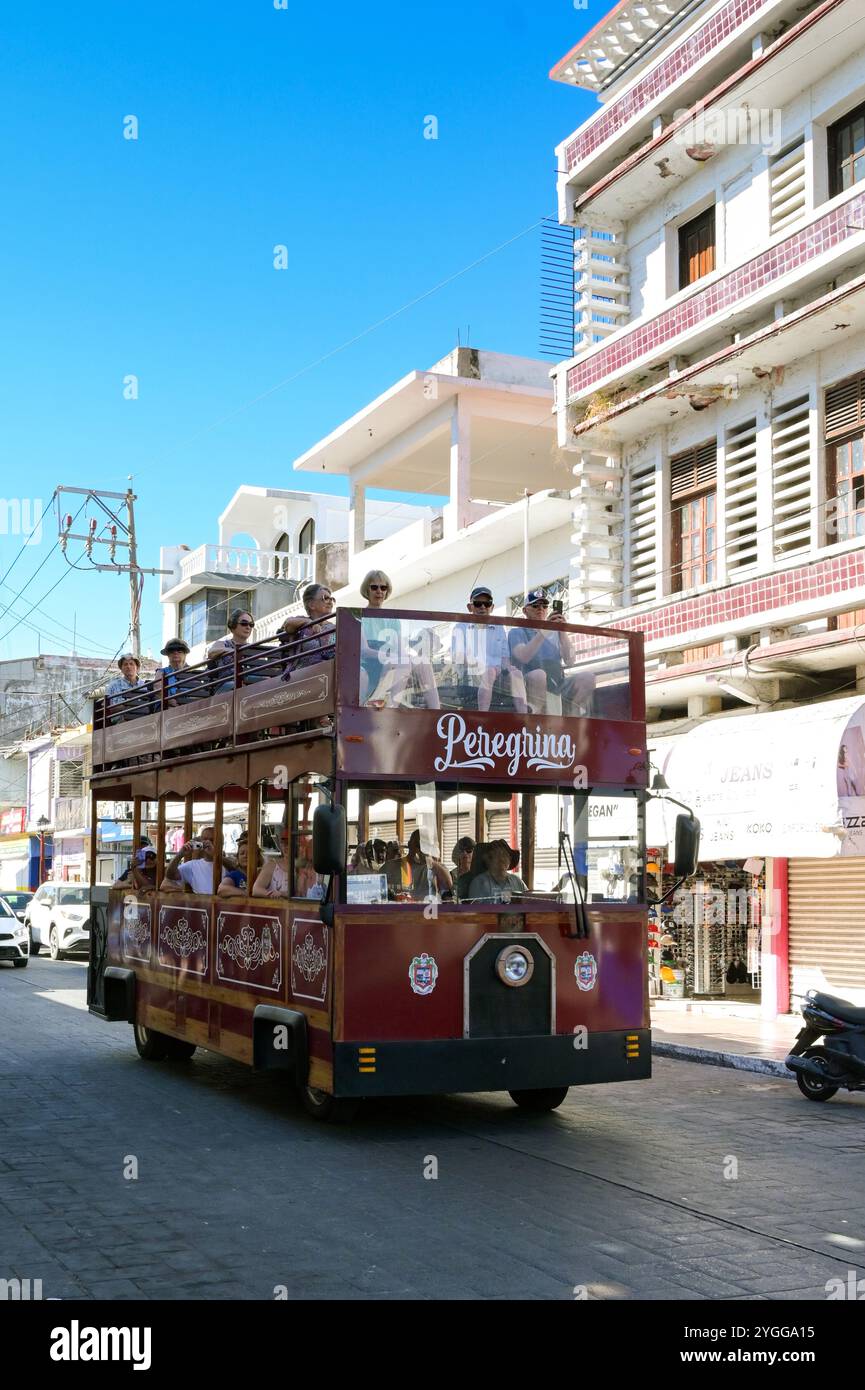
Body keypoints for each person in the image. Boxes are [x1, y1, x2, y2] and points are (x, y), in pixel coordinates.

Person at [358, 571, 440, 710]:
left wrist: (404, 656)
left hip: (390, 659)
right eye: (374, 587)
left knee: (422, 661)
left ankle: (436, 712)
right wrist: (395, 656)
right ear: (367, 589)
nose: (379, 591)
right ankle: (389, 708)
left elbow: (401, 649)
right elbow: (364, 651)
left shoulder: (393, 620)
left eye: (383, 588)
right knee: (401, 660)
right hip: (369, 662)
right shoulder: (360, 616)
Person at [508, 590, 595, 716]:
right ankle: (536, 720)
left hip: (557, 682)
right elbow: (523, 656)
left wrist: (562, 631)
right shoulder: (517, 632)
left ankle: (574, 718)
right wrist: (544, 630)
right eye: (535, 606)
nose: (541, 609)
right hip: (530, 683)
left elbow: (570, 660)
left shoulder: (554, 633)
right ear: (525, 610)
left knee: (587, 678)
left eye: (544, 606)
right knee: (539, 675)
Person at [452, 587, 527, 712]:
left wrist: (508, 668)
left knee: (517, 674)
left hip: (497, 675)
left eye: (487, 604)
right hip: (470, 675)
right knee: (489, 672)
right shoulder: (460, 627)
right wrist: (480, 666)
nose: (483, 607)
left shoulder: (498, 627)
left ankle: (524, 717)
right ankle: (483, 715)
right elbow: (459, 657)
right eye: (478, 603)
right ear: (470, 607)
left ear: (492, 607)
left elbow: (504, 657)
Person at [279, 584, 336, 672]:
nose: (330, 602)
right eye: (326, 598)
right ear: (311, 604)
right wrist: (310, 623)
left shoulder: (334, 627)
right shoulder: (301, 622)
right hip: (304, 677)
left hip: (330, 673)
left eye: (332, 599)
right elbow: (288, 625)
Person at [206, 610, 261, 694]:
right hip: (227, 685)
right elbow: (211, 652)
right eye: (244, 623)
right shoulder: (223, 644)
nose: (248, 627)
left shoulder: (253, 648)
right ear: (233, 625)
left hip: (249, 683)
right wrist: (233, 651)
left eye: (251, 624)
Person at [161, 826, 220, 894]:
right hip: (202, 903)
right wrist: (180, 854)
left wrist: (215, 855)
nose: (208, 843)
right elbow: (170, 876)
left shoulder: (227, 863)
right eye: (205, 839)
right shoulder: (193, 865)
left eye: (212, 840)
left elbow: (233, 868)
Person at [467, 839, 527, 904]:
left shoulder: (517, 881)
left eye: (506, 855)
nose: (502, 858)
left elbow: (529, 902)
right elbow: (475, 911)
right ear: (488, 860)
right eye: (497, 854)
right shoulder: (479, 883)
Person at [406, 828, 452, 901]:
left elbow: (448, 885)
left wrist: (432, 863)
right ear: (409, 845)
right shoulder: (399, 866)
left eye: (424, 846)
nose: (420, 850)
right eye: (418, 846)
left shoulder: (436, 867)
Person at [105, 654, 153, 722]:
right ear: (121, 669)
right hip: (120, 724)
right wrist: (126, 707)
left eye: (131, 664)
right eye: (125, 664)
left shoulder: (146, 685)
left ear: (137, 668)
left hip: (143, 722)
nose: (128, 666)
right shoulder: (113, 686)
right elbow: (106, 709)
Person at [217, 833, 263, 897]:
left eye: (249, 853)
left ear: (257, 857)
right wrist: (246, 893)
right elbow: (222, 889)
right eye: (242, 853)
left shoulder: (263, 874)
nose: (245, 856)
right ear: (237, 858)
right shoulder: (234, 874)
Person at [251, 827, 290, 897]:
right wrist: (272, 894)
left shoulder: (303, 867)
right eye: (283, 843)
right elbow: (256, 890)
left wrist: (282, 894)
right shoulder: (271, 865)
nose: (286, 846)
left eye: (289, 843)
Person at [159, 638, 197, 706]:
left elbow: (199, 692)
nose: (175, 653)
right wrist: (170, 701)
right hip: (167, 708)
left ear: (185, 654)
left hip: (190, 707)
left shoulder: (193, 672)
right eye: (172, 651)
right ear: (168, 655)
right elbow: (157, 689)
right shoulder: (161, 672)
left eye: (180, 651)